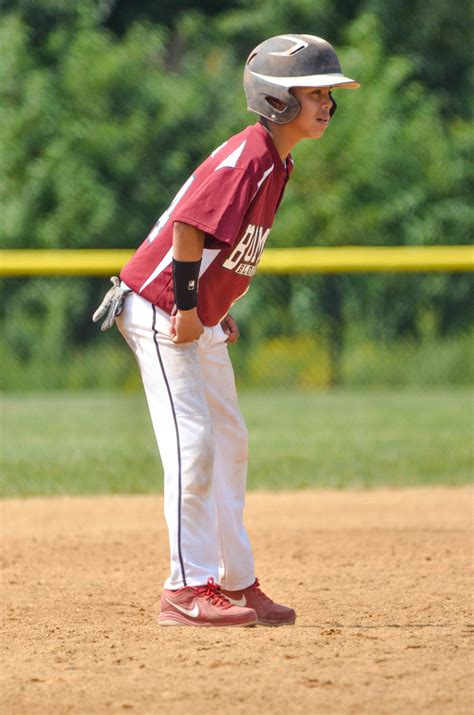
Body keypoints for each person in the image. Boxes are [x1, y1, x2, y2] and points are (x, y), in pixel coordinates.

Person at [93, 34, 359, 627]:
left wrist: (215, 302)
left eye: (328, 95)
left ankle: (237, 583)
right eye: (312, 93)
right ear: (275, 100)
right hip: (162, 309)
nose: (326, 105)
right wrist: (190, 307)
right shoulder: (250, 154)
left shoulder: (275, 159)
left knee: (230, 442)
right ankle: (184, 588)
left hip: (196, 312)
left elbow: (221, 244)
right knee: (196, 446)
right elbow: (188, 227)